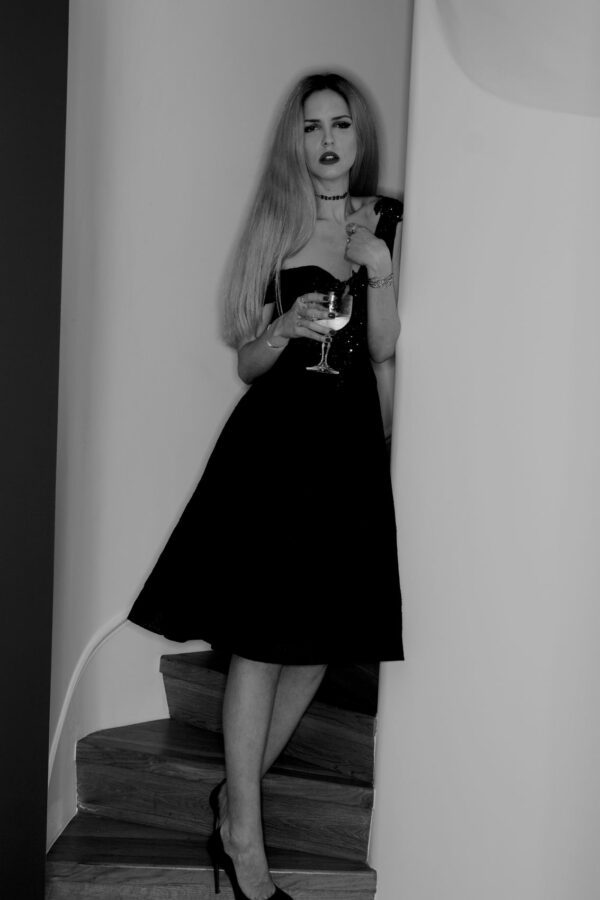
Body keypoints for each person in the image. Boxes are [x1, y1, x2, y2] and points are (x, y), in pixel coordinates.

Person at [128, 71, 404, 900]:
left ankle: (232, 800)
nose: (327, 141)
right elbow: (248, 363)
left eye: (340, 125)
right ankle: (244, 839)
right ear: (296, 142)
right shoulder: (275, 225)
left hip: (346, 452)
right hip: (275, 448)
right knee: (260, 642)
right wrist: (282, 327)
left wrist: (380, 273)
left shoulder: (386, 221)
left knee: (315, 649)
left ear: (359, 136)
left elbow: (383, 352)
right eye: (311, 127)